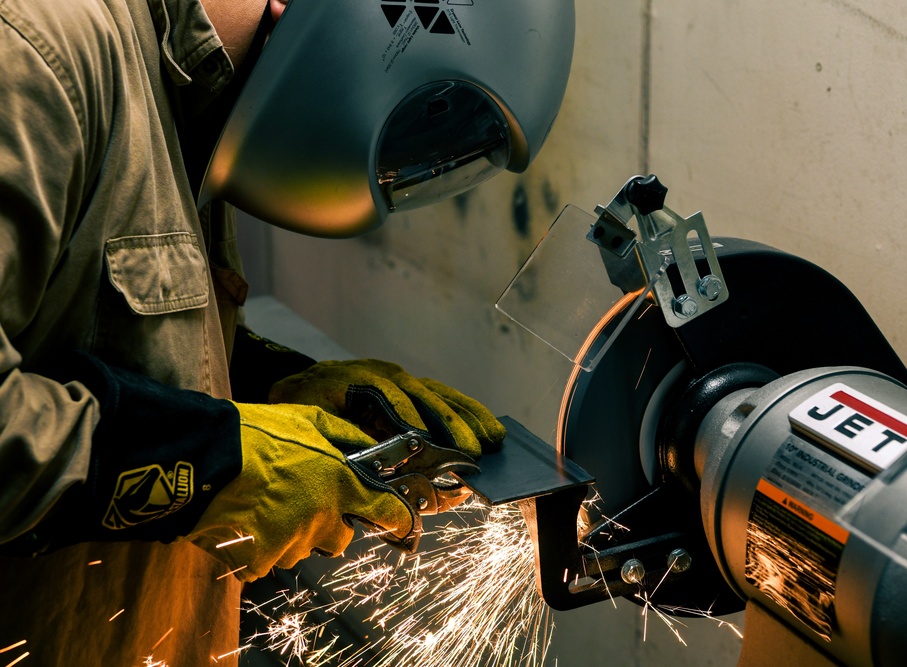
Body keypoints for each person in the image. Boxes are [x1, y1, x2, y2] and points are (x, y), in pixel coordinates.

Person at [0, 0, 573, 664]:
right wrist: (215, 463)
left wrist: (277, 388)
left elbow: (89, 337)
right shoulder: (38, 51)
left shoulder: (200, 100)